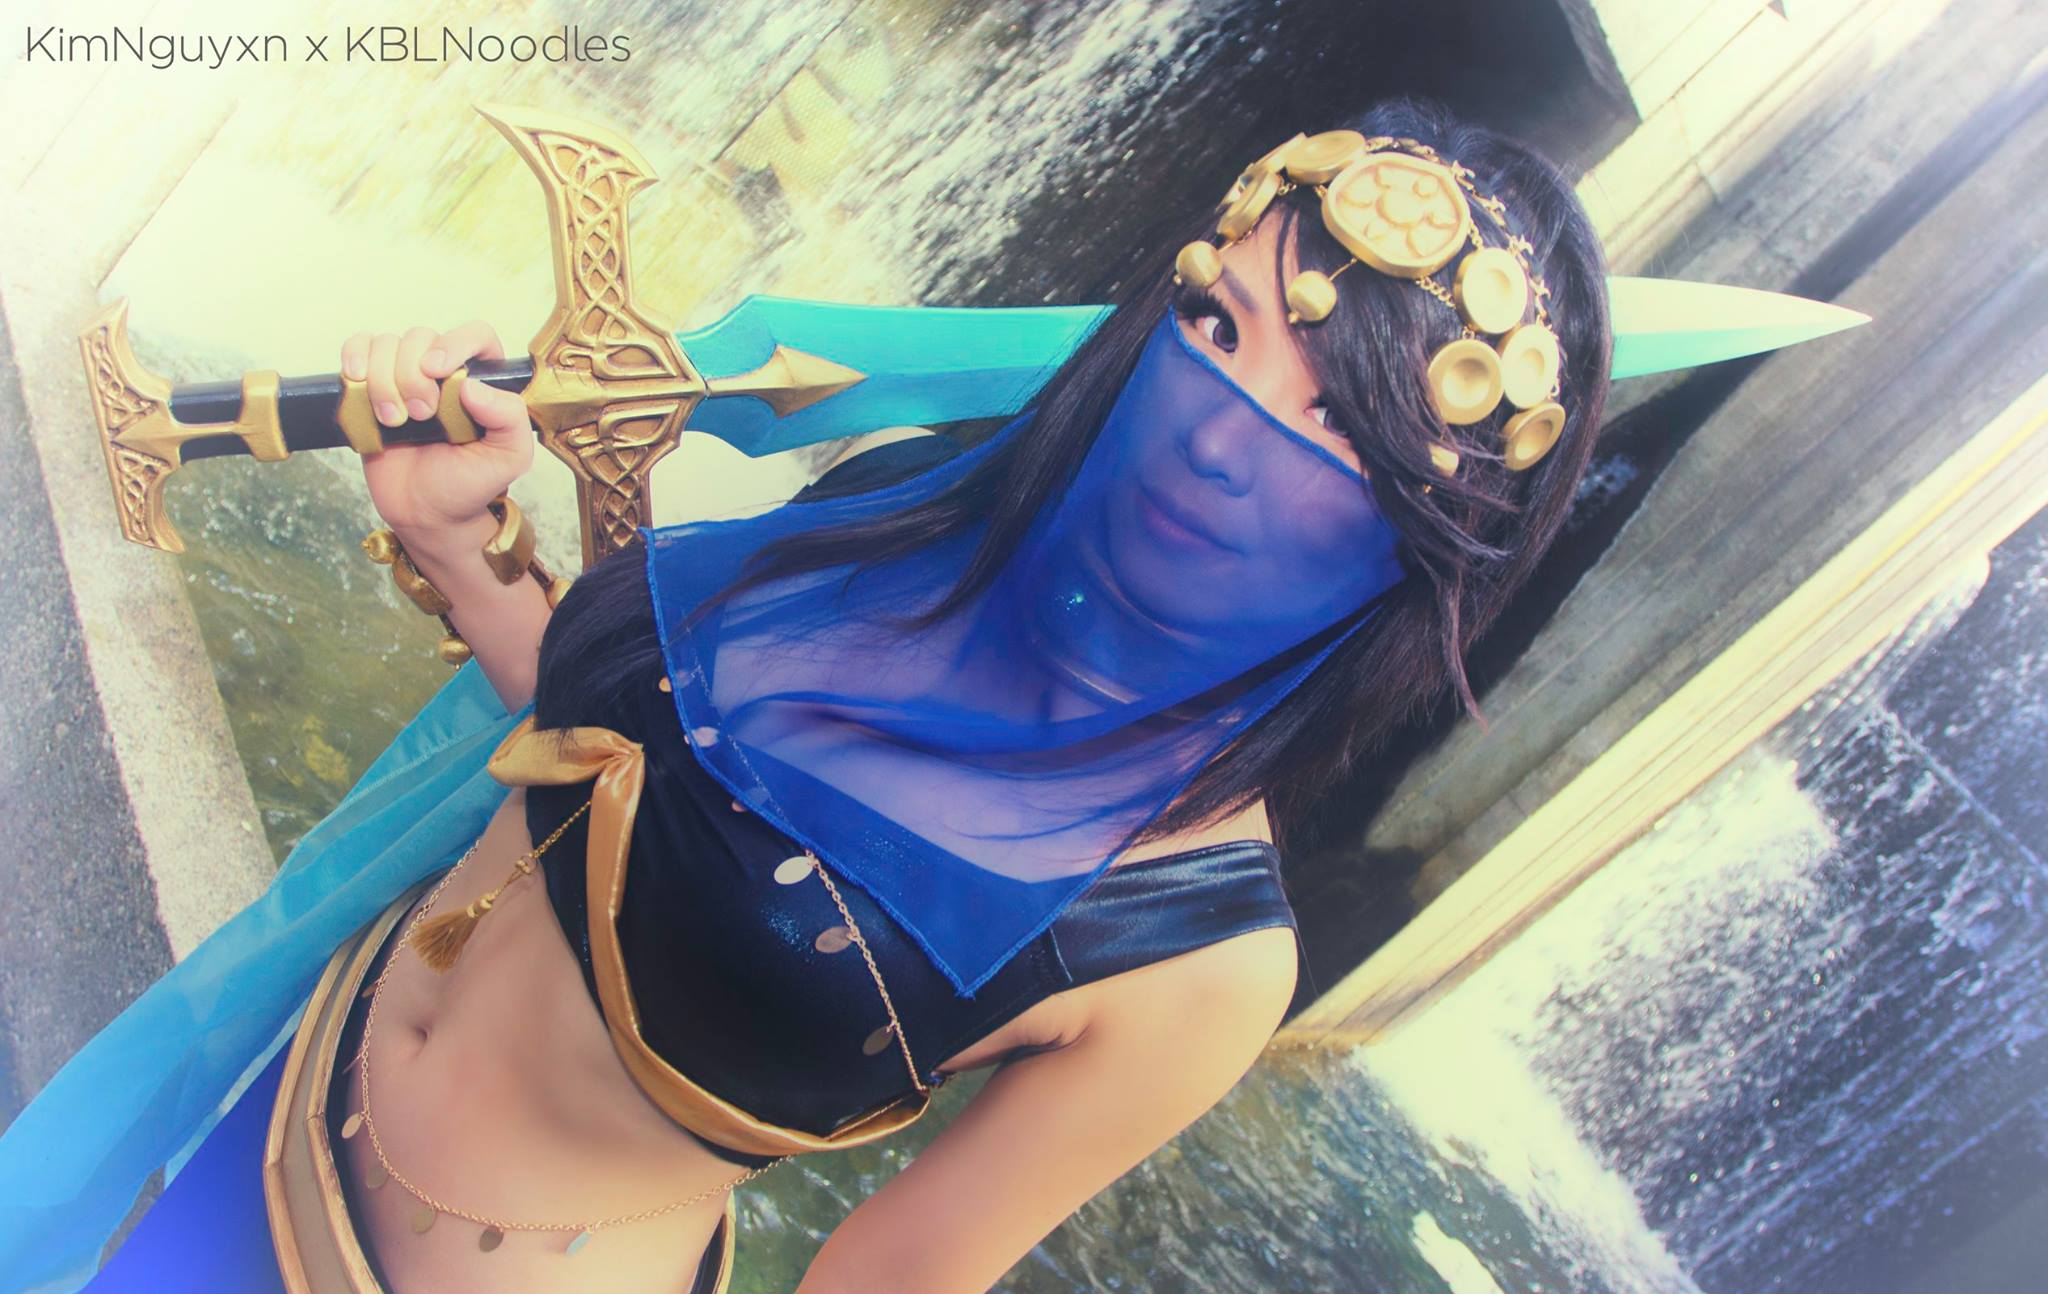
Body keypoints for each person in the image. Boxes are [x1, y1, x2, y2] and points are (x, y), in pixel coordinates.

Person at [24, 94, 1621, 1292]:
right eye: (1215, 322)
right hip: (289, 1086)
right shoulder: (916, 508)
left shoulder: (1198, 947)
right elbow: (618, 752)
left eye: (1336, 419)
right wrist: (459, 541)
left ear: (1431, 532)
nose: (1218, 423)